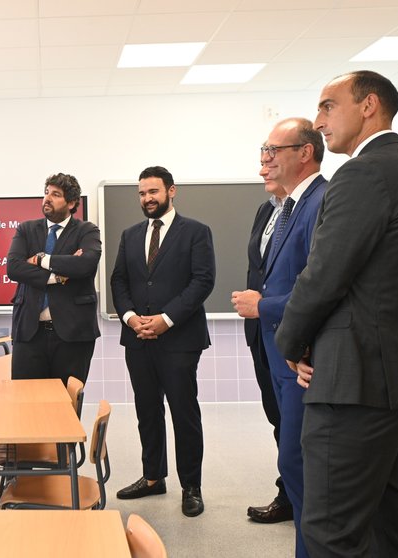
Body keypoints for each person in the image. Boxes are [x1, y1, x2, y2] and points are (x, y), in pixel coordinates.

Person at [275, 71, 398, 556]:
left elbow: (324, 274)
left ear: (368, 106)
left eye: (328, 106)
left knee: (331, 531)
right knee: (396, 528)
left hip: (355, 383)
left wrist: (290, 342)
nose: (319, 120)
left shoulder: (362, 173)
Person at [233, 118, 327, 557]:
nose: (263, 164)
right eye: (263, 154)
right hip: (275, 349)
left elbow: (320, 285)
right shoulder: (279, 208)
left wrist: (263, 306)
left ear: (303, 152)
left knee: (300, 466)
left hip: (302, 357)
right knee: (292, 461)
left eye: (272, 152)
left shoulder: (321, 203)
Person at [111, 166, 215, 517]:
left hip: (179, 338)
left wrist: (165, 320)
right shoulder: (130, 234)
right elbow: (118, 282)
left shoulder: (196, 232)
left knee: (184, 413)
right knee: (147, 411)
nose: (147, 199)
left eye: (153, 192)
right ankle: (153, 477)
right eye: (141, 193)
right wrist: (130, 317)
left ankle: (191, 486)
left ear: (171, 191)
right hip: (137, 339)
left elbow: (202, 282)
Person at [6, 173, 101, 385]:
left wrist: (41, 259)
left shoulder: (87, 230)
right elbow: (13, 268)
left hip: (73, 333)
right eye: (46, 193)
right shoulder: (26, 229)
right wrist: (57, 276)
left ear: (72, 202)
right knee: (26, 405)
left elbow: (85, 264)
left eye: (55, 195)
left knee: (68, 405)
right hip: (30, 332)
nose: (47, 199)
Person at [236, 158, 290, 524]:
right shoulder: (264, 210)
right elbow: (258, 267)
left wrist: (265, 306)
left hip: (290, 332)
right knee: (278, 419)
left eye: (270, 161)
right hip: (260, 333)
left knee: (296, 423)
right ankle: (288, 491)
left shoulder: (312, 207)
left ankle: (296, 495)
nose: (262, 171)